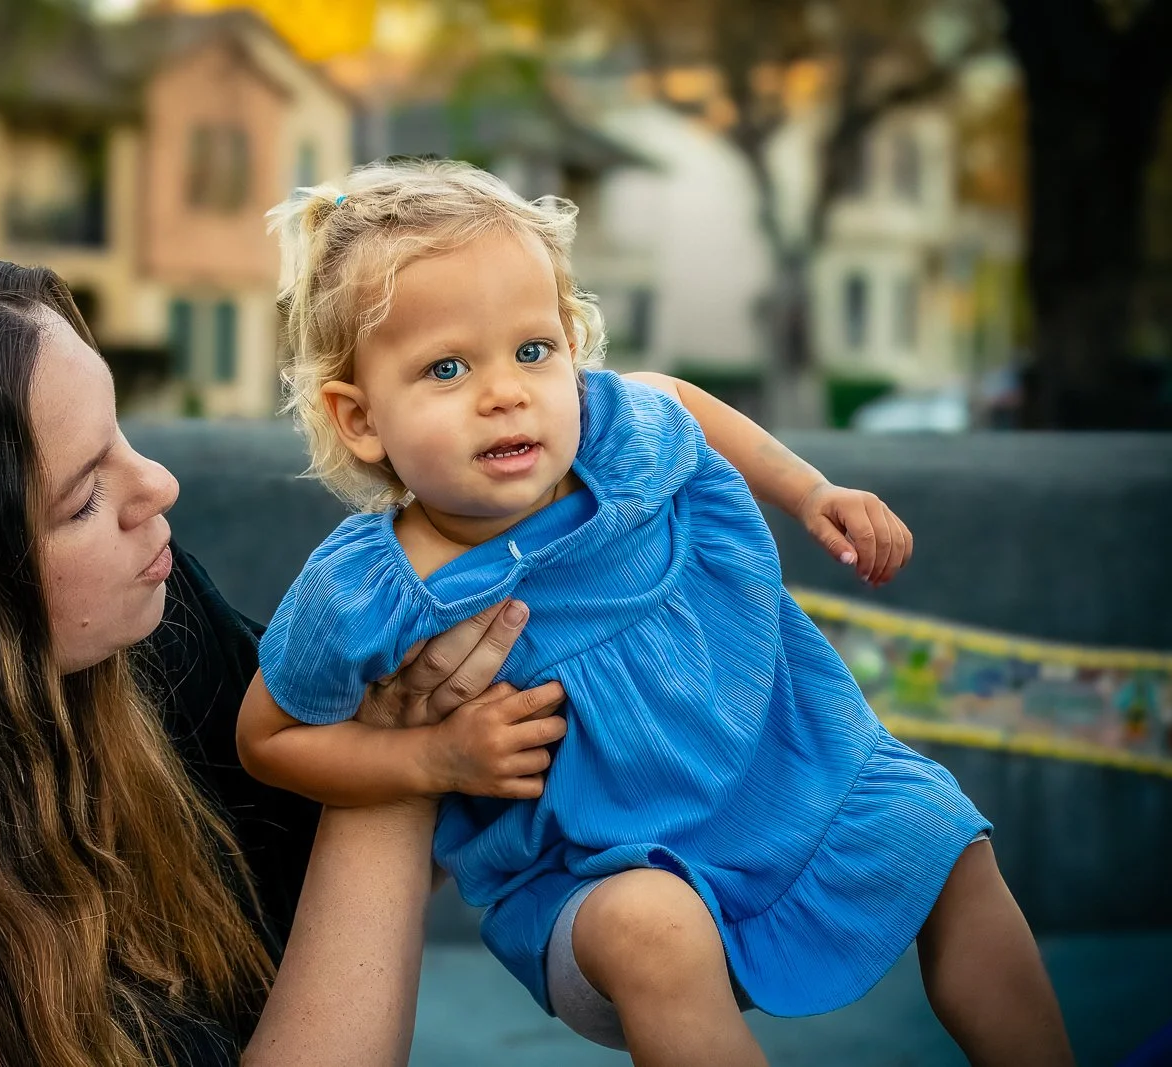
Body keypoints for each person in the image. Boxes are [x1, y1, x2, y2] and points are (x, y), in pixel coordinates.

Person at [0, 242, 573, 1067]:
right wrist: (397, 777)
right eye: (82, 497)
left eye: (123, 433)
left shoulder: (149, 626)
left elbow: (318, 865)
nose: (156, 484)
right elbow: (367, 828)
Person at [236, 159, 1074, 1067]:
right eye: (447, 367)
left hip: (788, 778)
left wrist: (809, 489)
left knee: (949, 842)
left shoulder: (614, 437)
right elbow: (266, 736)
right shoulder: (370, 587)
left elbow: (676, 395)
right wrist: (427, 758)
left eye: (533, 349)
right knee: (657, 928)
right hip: (596, 872)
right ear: (360, 419)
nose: (507, 391)